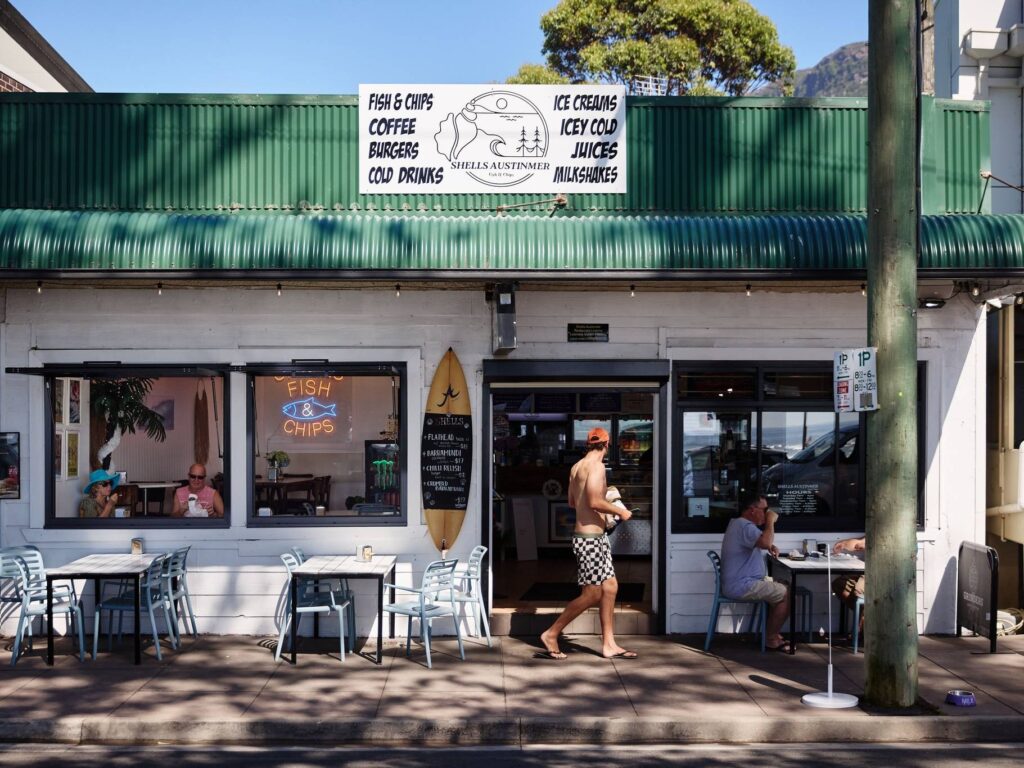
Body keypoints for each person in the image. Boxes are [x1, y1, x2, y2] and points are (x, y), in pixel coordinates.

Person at [539, 427, 638, 660]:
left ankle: (609, 644)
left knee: (610, 587)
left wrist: (603, 508)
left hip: (592, 537)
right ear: (607, 444)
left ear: (588, 444)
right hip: (590, 539)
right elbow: (594, 500)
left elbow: (574, 502)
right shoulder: (597, 466)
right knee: (592, 593)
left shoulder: (576, 467)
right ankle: (551, 633)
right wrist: (618, 511)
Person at [719, 493, 791, 651]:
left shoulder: (740, 524)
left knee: (783, 585)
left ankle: (770, 633)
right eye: (764, 509)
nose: (766, 513)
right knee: (784, 593)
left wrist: (769, 545)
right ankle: (771, 639)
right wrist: (771, 521)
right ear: (752, 510)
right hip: (741, 584)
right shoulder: (745, 526)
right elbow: (765, 541)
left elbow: (762, 542)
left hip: (742, 581)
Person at [831, 536, 866, 611]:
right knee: (839, 584)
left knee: (858, 591)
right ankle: (863, 613)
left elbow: (860, 544)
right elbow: (859, 543)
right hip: (864, 570)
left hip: (883, 572)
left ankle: (866, 616)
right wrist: (843, 544)